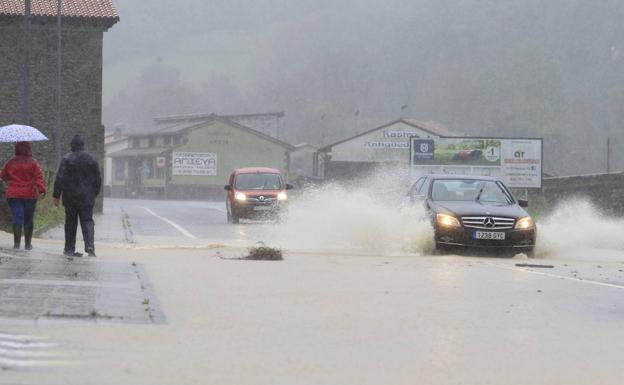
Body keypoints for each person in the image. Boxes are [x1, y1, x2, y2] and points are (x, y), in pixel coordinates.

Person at [53, 135, 101, 257]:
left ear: (72, 146)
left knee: (70, 222)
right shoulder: (91, 159)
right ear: (83, 145)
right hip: (87, 197)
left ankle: (69, 248)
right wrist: (94, 193)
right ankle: (89, 245)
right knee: (87, 221)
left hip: (70, 197)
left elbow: (60, 178)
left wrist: (56, 195)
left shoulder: (67, 159)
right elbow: (98, 179)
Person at [0, 141, 46, 250]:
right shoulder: (33, 163)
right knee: (28, 218)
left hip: (14, 194)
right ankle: (28, 244)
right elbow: (39, 177)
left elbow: (2, 176)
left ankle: (16, 244)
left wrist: (10, 181)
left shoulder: (10, 162)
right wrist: (42, 190)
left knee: (17, 217)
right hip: (30, 194)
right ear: (29, 149)